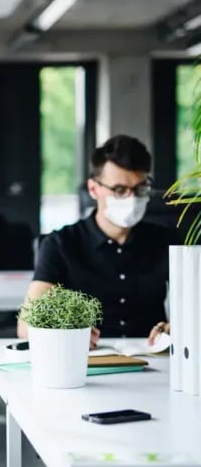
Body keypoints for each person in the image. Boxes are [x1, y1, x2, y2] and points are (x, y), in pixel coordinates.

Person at [17, 135, 179, 348]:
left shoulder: (167, 241)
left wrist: (178, 328)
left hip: (155, 362)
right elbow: (26, 327)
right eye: (120, 190)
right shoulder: (61, 244)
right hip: (85, 362)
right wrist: (68, 332)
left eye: (140, 189)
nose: (131, 199)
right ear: (94, 189)